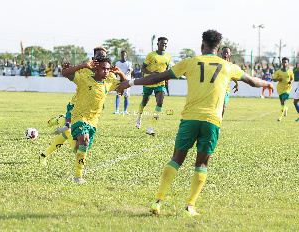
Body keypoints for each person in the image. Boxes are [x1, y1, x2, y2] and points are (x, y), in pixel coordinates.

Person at [116, 29, 274, 216]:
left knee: (176, 159)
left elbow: (157, 77)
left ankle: (158, 201)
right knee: (202, 164)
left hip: (190, 118)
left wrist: (131, 82)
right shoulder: (227, 66)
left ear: (202, 45)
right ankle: (190, 206)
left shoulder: (190, 62)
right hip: (212, 120)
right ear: (218, 48)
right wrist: (268, 84)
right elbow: (253, 82)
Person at [39, 46, 110, 165]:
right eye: (98, 57)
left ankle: (44, 155)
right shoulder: (86, 68)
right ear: (94, 58)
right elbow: (67, 72)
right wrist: (70, 67)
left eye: (103, 57)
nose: (101, 59)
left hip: (88, 114)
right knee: (74, 141)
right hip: (75, 106)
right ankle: (62, 121)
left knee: (67, 135)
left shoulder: (107, 72)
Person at [62, 57, 126, 184]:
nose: (106, 72)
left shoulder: (108, 83)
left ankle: (69, 136)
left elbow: (122, 89)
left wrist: (121, 74)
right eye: (103, 68)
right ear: (96, 69)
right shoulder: (84, 79)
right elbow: (65, 73)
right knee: (84, 141)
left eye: (108, 69)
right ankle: (78, 176)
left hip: (93, 121)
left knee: (80, 148)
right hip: (79, 117)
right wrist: (83, 65)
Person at [135, 37, 172, 135]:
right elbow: (143, 68)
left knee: (160, 103)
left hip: (160, 82)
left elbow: (167, 68)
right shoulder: (151, 55)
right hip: (149, 81)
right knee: (144, 101)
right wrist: (151, 73)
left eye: (165, 43)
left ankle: (150, 128)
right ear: (158, 44)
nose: (164, 45)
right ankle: (139, 117)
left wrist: (166, 78)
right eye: (162, 43)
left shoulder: (168, 56)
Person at [221, 47, 239, 117]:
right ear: (221, 54)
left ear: (229, 55)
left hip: (226, 91)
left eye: (227, 53)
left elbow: (233, 75)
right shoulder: (217, 64)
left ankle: (219, 123)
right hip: (217, 90)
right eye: (224, 52)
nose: (225, 54)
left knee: (223, 107)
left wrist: (237, 83)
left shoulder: (230, 66)